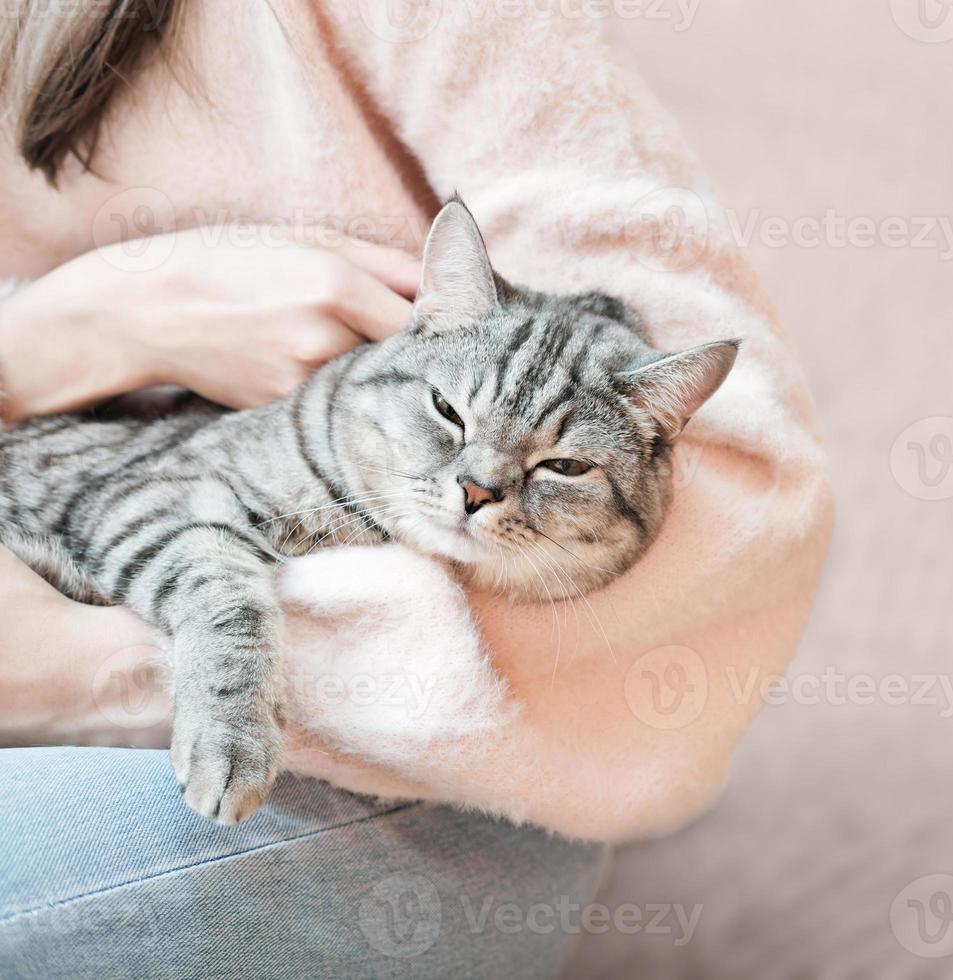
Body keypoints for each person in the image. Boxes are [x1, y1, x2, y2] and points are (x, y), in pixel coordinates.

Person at [0, 2, 833, 977]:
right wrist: (56, 336)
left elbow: (750, 494)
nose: (481, 487)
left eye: (553, 464)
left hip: (411, 767)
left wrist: (89, 663)